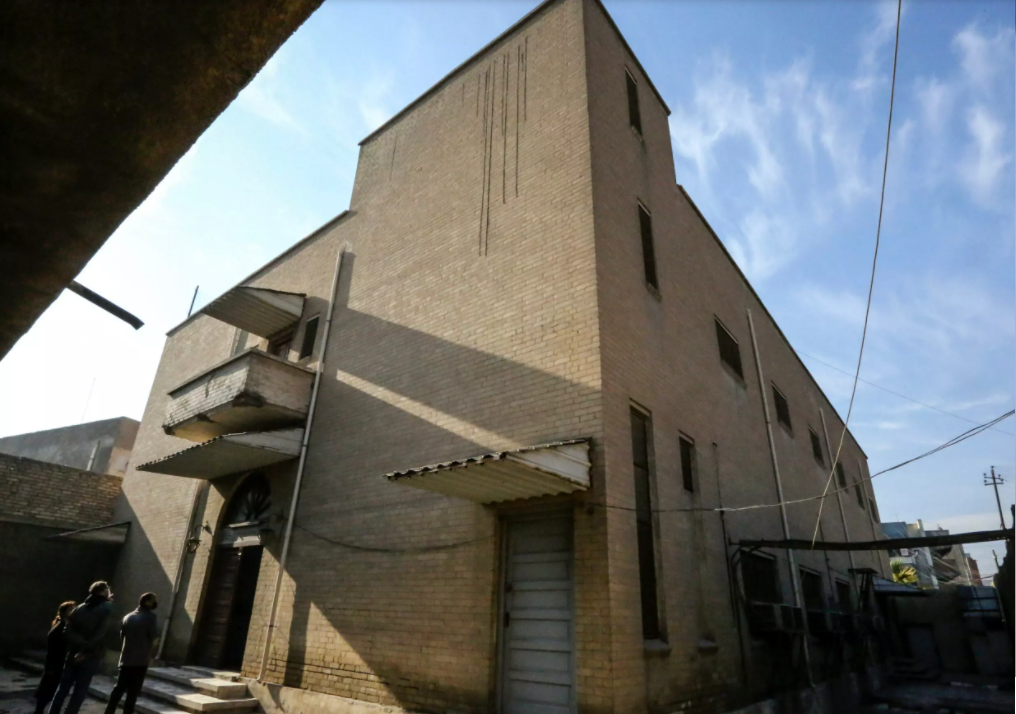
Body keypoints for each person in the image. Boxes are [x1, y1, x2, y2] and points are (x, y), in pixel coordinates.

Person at [49, 581, 114, 714]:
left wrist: (79, 646)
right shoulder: (106, 608)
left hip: (73, 653)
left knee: (63, 688)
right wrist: (85, 649)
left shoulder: (80, 607)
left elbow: (67, 630)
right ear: (102, 591)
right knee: (80, 689)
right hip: (91, 654)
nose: (109, 591)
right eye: (107, 589)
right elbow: (100, 634)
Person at [103, 592, 159, 714]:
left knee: (119, 687)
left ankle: (109, 711)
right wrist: (151, 654)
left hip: (125, 658)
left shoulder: (127, 617)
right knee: (133, 692)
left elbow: (122, 637)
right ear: (147, 602)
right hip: (140, 660)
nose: (155, 603)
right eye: (153, 600)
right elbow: (154, 639)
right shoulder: (151, 617)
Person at [34, 601, 76, 714]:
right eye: (71, 610)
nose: (74, 612)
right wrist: (51, 669)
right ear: (64, 613)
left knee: (51, 692)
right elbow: (53, 652)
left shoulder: (66, 627)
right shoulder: (59, 630)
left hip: (58, 665)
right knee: (47, 692)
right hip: (55, 665)